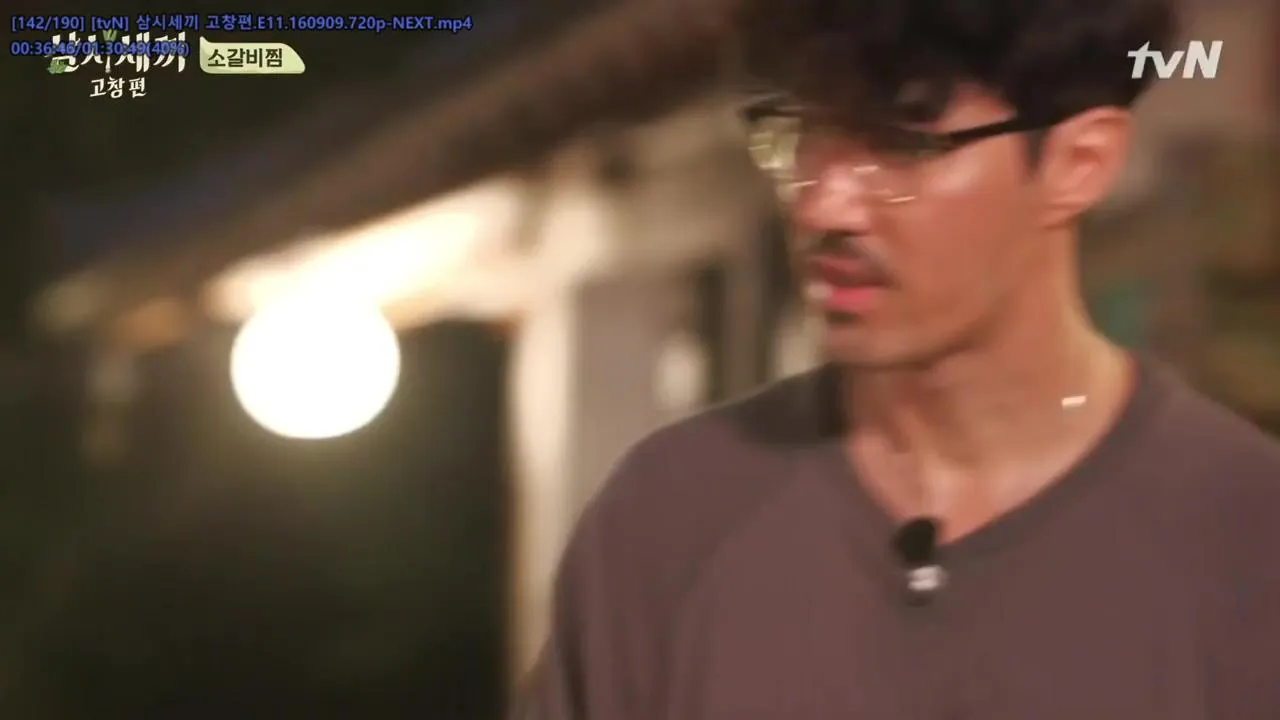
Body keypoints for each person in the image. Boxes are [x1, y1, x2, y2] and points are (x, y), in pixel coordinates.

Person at [514, 0, 1280, 717]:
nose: (822, 204)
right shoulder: (669, 519)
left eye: (902, 142)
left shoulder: (1244, 538)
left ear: (1079, 164)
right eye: (802, 132)